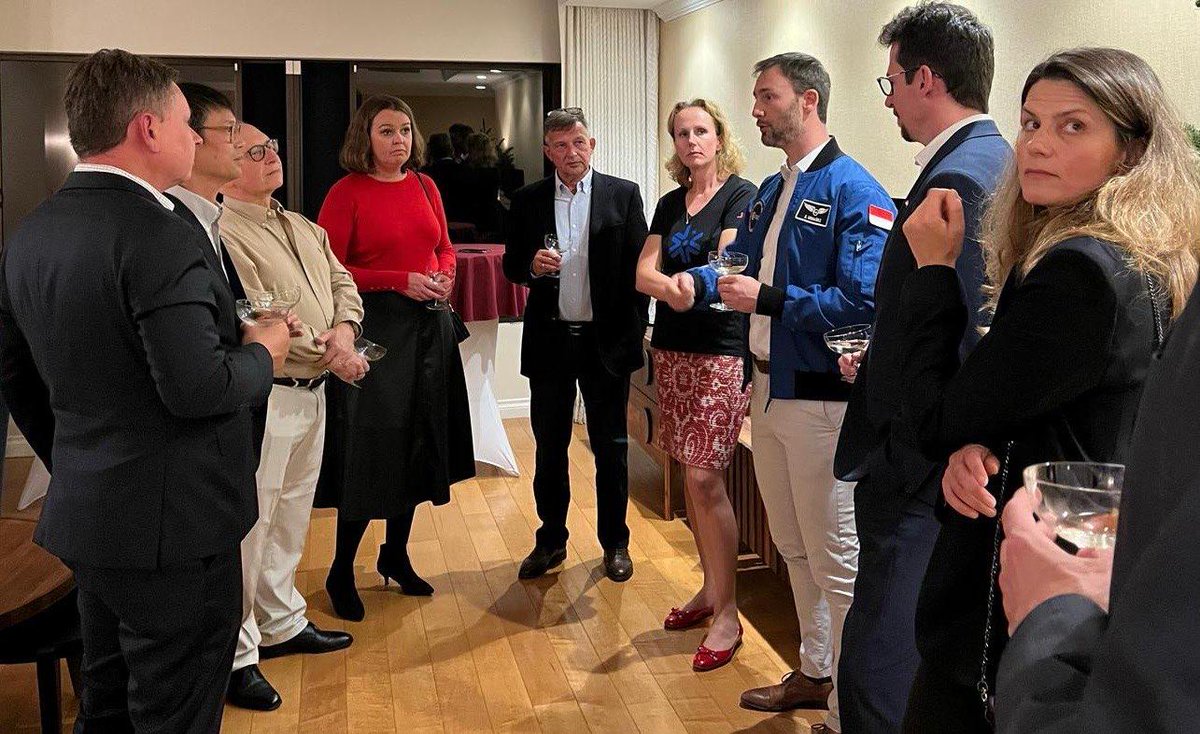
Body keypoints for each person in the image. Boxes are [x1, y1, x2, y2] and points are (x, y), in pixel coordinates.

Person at [895, 46, 1197, 733]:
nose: (1036, 144)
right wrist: (977, 439)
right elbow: (1044, 402)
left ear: (1130, 151)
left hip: (1025, 590)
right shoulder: (1145, 255)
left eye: (1073, 126)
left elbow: (934, 420)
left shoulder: (1080, 273)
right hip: (1086, 552)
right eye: (1031, 123)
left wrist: (934, 270)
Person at [0, 49, 288, 732]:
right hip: (176, 530)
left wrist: (81, 461)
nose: (195, 137)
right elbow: (199, 388)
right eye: (187, 122)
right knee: (175, 712)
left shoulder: (33, 229)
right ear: (148, 129)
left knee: (106, 704)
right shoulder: (161, 232)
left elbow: (15, 372)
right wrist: (265, 352)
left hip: (91, 515)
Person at [669, 54, 894, 733]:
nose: (756, 110)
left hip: (822, 401)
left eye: (767, 97)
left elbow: (861, 302)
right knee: (791, 546)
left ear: (808, 100)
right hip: (765, 389)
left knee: (835, 559)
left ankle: (851, 708)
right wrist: (693, 285)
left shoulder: (855, 190)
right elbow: (732, 264)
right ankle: (815, 670)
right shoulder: (771, 188)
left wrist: (767, 299)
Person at [831, 5, 1011, 732]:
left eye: (892, 81)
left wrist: (926, 452)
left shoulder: (961, 179)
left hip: (920, 470)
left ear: (926, 79)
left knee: (879, 670)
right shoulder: (990, 159)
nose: (889, 99)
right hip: (925, 456)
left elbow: (970, 335)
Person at [220, 123, 367, 709]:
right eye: (254, 152)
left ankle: (280, 621)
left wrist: (345, 331)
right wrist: (333, 352)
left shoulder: (302, 224)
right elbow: (258, 316)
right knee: (251, 526)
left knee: (292, 515)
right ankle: (237, 653)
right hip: (270, 394)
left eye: (273, 148)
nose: (271, 158)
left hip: (315, 389)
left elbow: (342, 281)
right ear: (225, 163)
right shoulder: (224, 230)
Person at [316, 94, 475, 621]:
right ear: (365, 137)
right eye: (386, 131)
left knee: (418, 443)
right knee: (372, 450)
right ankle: (341, 569)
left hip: (428, 329)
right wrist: (397, 280)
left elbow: (444, 246)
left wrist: (445, 273)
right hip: (375, 331)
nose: (398, 140)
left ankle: (396, 555)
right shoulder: (346, 192)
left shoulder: (426, 186)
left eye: (405, 130)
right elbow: (330, 269)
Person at [502, 107, 649, 583]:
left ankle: (616, 543)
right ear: (548, 151)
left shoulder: (623, 195)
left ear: (592, 145)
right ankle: (551, 540)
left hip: (606, 345)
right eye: (561, 145)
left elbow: (640, 270)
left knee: (612, 449)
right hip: (550, 342)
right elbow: (511, 264)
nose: (572, 153)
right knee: (550, 448)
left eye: (579, 142)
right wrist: (531, 266)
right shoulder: (528, 200)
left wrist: (634, 332)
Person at [635, 98, 755, 672]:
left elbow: (728, 263)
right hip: (672, 349)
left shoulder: (741, 194)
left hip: (721, 351)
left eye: (701, 131)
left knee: (707, 477)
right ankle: (709, 589)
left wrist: (682, 285)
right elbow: (643, 272)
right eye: (682, 133)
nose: (691, 141)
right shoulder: (669, 202)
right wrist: (675, 291)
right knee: (688, 471)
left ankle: (728, 614)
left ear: (719, 136)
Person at [423, 132, 469, 224]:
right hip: (461, 219)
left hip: (435, 219)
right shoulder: (463, 169)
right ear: (451, 148)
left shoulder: (426, 173)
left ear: (431, 150)